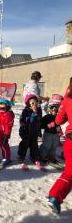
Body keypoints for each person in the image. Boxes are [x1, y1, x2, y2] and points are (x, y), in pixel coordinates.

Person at [48, 78, 72, 214]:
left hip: (70, 140)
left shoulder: (68, 98)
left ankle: (55, 196)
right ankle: (55, 197)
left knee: (70, 172)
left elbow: (59, 120)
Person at [17, 94, 44, 170]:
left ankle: (34, 158)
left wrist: (36, 113)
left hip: (34, 132)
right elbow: (23, 119)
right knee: (24, 144)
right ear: (28, 103)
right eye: (32, 103)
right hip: (26, 132)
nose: (34, 105)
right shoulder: (26, 110)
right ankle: (21, 157)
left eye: (35, 103)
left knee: (34, 145)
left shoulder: (38, 110)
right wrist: (22, 123)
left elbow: (39, 120)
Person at [0, 99, 15, 168]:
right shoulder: (0, 114)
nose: (1, 109)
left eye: (3, 108)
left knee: (4, 146)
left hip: (3, 134)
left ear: (8, 107)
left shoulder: (8, 116)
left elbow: (8, 127)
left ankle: (6, 158)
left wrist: (6, 135)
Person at [39, 95, 63, 164]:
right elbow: (41, 125)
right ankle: (42, 156)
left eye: (56, 109)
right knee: (46, 146)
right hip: (48, 134)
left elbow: (59, 124)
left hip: (55, 134)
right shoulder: (47, 117)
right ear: (49, 109)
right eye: (52, 108)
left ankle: (51, 157)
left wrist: (60, 131)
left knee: (54, 146)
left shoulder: (58, 117)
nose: (54, 110)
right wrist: (48, 126)